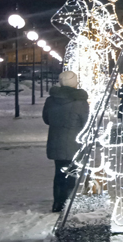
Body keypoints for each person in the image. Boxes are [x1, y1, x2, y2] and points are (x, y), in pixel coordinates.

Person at [42, 71, 89, 213]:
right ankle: (68, 203)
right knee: (71, 173)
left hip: (56, 141)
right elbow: (85, 123)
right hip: (74, 143)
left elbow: (46, 119)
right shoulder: (80, 102)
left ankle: (58, 202)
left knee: (59, 173)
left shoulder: (51, 100)